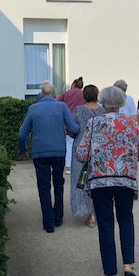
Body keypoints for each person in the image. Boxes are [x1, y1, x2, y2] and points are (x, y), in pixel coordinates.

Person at [76, 86, 139, 276]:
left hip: (100, 181)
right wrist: (132, 158)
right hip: (125, 179)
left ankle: (110, 273)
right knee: (126, 219)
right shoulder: (130, 123)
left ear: (102, 102)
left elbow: (81, 154)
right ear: (121, 103)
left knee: (105, 224)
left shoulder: (94, 123)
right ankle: (128, 265)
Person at [19, 82, 79, 233]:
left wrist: (23, 151)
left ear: (41, 94)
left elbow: (22, 134)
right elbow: (73, 128)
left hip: (40, 153)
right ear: (55, 95)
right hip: (58, 152)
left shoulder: (33, 109)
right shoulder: (62, 107)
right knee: (58, 183)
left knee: (43, 186)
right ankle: (58, 217)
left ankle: (48, 222)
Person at [70, 84, 105, 228]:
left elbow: (72, 130)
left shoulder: (78, 110)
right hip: (99, 149)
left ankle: (89, 213)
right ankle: (97, 211)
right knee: (98, 180)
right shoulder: (103, 110)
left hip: (81, 149)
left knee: (81, 180)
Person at [58, 77, 86, 173]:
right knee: (80, 142)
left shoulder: (67, 93)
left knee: (69, 144)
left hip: (68, 120)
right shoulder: (83, 94)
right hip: (81, 121)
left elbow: (57, 101)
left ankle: (68, 166)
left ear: (73, 84)